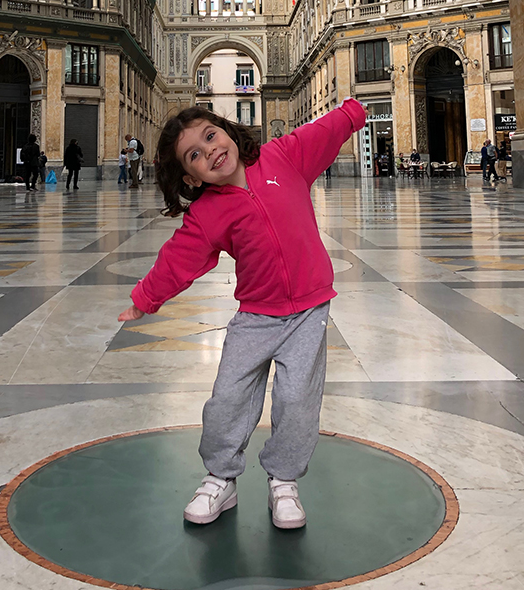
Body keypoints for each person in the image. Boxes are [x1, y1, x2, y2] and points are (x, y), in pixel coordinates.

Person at [116, 99, 367, 530]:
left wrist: (351, 113)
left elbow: (322, 132)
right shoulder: (208, 212)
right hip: (256, 315)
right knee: (227, 398)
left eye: (210, 136)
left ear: (228, 131)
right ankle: (220, 478)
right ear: (190, 176)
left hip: (309, 310)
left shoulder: (283, 156)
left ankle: (283, 482)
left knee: (296, 400)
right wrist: (145, 298)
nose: (209, 151)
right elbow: (177, 260)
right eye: (194, 154)